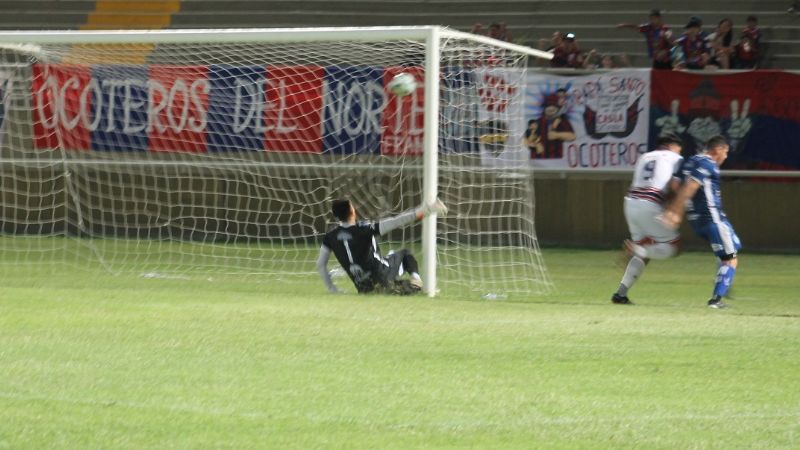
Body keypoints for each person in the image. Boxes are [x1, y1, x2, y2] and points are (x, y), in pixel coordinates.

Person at [662, 135, 742, 309]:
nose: (726, 157)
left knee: (735, 245)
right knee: (730, 259)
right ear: (718, 149)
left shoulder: (690, 160)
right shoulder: (707, 163)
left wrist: (684, 207)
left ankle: (723, 280)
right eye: (726, 152)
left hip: (697, 220)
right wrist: (675, 211)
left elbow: (675, 184)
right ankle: (716, 299)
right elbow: (691, 186)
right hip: (711, 218)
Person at [316, 198, 447, 295]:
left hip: (363, 288)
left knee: (395, 287)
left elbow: (320, 265)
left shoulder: (330, 236)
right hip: (381, 273)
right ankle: (416, 280)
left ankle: (406, 288)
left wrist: (332, 289)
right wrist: (423, 210)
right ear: (352, 211)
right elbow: (396, 221)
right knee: (405, 254)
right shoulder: (364, 228)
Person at [611, 134, 684, 305]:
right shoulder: (676, 158)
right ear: (672, 146)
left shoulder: (644, 156)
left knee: (645, 248)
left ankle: (621, 293)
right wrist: (674, 208)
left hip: (631, 203)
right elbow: (674, 185)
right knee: (675, 246)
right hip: (650, 204)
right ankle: (638, 250)